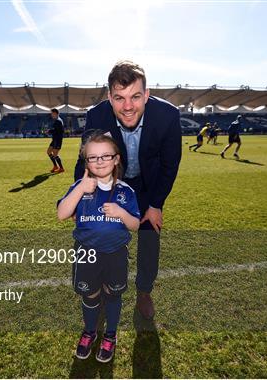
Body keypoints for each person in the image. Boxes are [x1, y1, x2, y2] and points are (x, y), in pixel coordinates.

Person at [74, 60, 182, 320]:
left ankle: (144, 292)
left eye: (135, 96)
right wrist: (84, 197)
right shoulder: (97, 116)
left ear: (146, 94)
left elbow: (170, 164)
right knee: (100, 233)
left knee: (149, 236)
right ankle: (98, 288)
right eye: (119, 98)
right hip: (112, 183)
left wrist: (155, 205)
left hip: (148, 186)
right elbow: (85, 161)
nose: (128, 106)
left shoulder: (167, 116)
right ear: (110, 97)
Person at [58, 134, 140, 363]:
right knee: (90, 293)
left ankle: (110, 335)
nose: (100, 161)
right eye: (93, 157)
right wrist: (80, 188)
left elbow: (134, 225)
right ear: (87, 163)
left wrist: (121, 213)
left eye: (106, 156)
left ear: (116, 159)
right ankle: (90, 331)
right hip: (87, 254)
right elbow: (62, 214)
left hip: (116, 254)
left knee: (113, 294)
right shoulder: (80, 187)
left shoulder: (126, 192)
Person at [47, 108, 65, 173]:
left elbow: (58, 131)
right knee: (49, 152)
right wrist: (51, 131)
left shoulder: (58, 121)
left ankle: (61, 168)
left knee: (55, 154)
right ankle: (55, 166)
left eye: (52, 113)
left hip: (57, 140)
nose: (51, 115)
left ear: (55, 113)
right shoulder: (57, 120)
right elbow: (56, 130)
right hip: (55, 139)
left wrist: (49, 131)